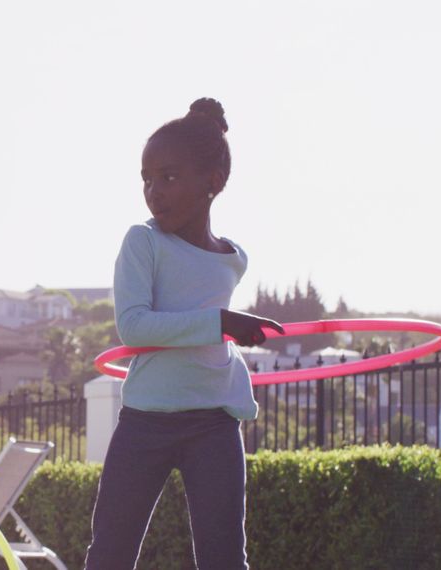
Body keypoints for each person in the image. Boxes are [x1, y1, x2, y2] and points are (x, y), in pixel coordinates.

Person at [83, 98, 284, 570]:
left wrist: (227, 329)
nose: (154, 191)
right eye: (147, 179)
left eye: (168, 177)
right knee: (109, 555)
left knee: (224, 559)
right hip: (146, 421)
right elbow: (134, 325)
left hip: (214, 423)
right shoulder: (143, 242)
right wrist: (222, 322)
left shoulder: (234, 258)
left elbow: (209, 330)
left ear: (212, 183)